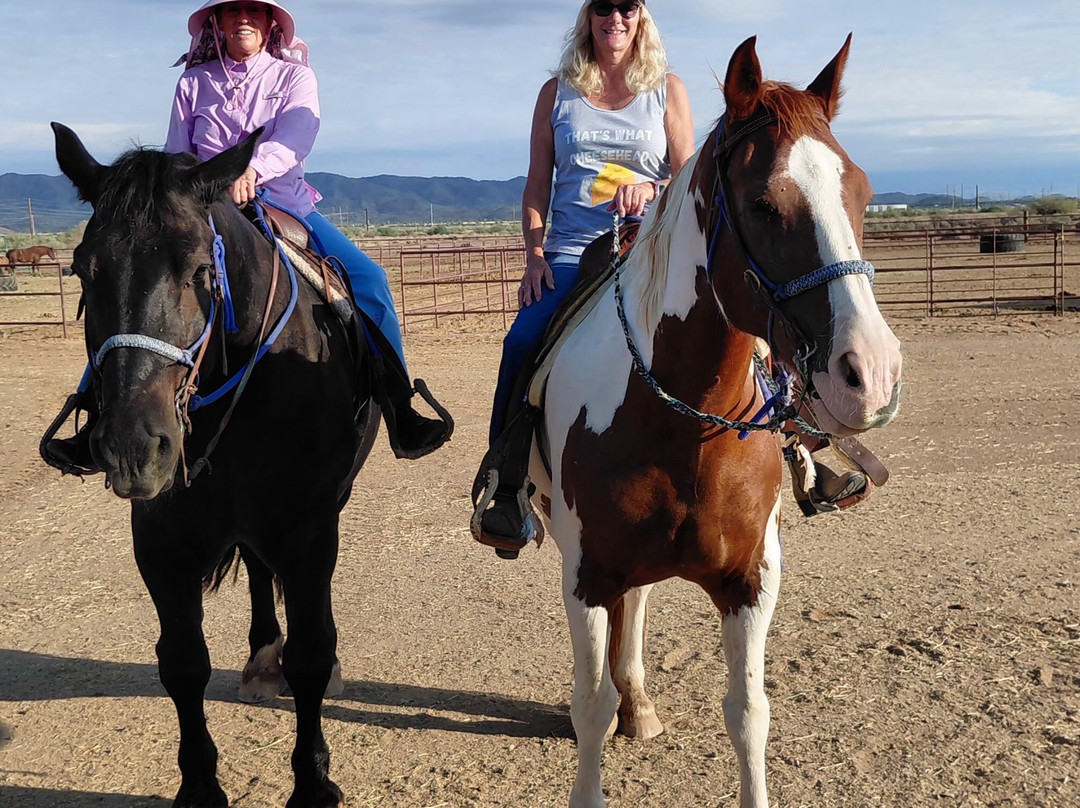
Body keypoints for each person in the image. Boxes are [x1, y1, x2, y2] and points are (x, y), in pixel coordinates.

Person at [43, 0, 452, 474]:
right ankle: (91, 410)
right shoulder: (193, 82)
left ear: (271, 23)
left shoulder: (293, 78)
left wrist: (255, 169)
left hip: (284, 204)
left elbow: (299, 133)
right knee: (134, 290)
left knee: (371, 282)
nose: (243, 17)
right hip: (202, 211)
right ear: (215, 22)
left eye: (255, 10)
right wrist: (180, 197)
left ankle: (400, 407)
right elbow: (178, 151)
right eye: (232, 9)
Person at [472, 0, 695, 556]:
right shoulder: (557, 95)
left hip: (650, 246)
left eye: (627, 6)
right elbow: (536, 188)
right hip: (574, 251)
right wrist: (534, 255)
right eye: (603, 6)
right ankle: (508, 486)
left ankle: (799, 446)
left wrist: (653, 189)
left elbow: (687, 176)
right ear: (587, 16)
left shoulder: (668, 90)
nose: (614, 17)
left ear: (641, 16)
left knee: (734, 314)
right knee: (522, 340)